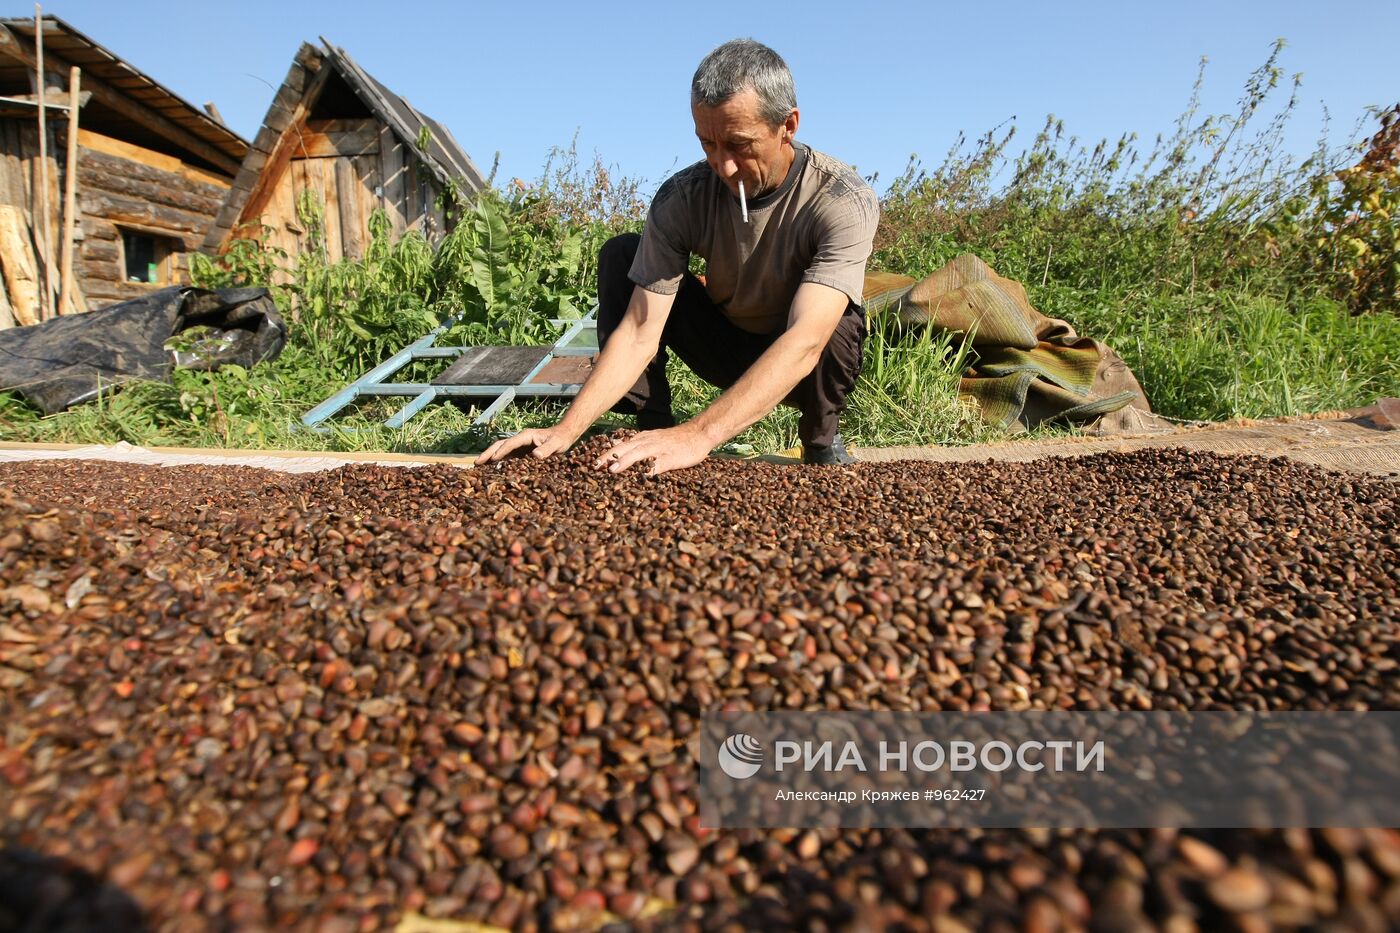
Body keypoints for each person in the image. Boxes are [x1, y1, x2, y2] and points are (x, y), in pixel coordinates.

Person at [478, 38, 879, 475]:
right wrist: (565, 430)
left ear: (788, 125)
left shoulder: (840, 198)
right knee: (622, 255)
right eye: (708, 144)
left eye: (739, 145)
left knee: (838, 320)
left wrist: (700, 435)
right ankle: (651, 425)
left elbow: (806, 339)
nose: (722, 166)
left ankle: (820, 438)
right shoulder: (683, 198)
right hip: (724, 343)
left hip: (803, 361)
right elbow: (638, 330)